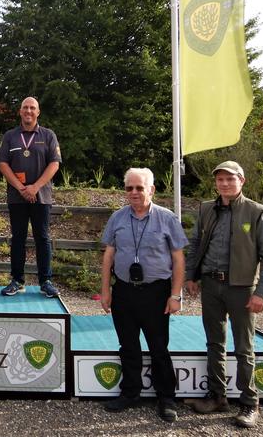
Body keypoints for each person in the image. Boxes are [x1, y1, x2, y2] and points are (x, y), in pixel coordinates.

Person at [185, 160, 263, 428]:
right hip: (211, 286)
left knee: (243, 348)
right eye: (220, 179)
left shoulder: (256, 212)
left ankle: (250, 403)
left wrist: (261, 293)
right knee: (214, 343)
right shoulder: (206, 209)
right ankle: (217, 396)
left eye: (230, 179)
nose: (224, 183)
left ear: (242, 181)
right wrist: (192, 276)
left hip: (242, 288)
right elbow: (194, 245)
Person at [100, 167, 187, 422]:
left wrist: (176, 295)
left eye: (140, 187)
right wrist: (105, 290)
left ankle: (166, 398)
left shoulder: (167, 218)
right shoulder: (117, 218)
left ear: (151, 190)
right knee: (128, 345)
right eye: (130, 188)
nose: (134, 192)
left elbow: (178, 259)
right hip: (124, 291)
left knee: (158, 347)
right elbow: (108, 256)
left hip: (156, 293)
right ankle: (130, 393)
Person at [0, 97, 61, 298]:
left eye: (32, 108)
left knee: (42, 238)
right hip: (17, 197)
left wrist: (35, 187)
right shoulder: (10, 136)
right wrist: (22, 188)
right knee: (18, 239)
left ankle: (46, 281)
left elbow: (54, 164)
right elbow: (3, 164)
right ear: (20, 111)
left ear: (38, 112)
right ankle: (17, 280)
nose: (28, 111)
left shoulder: (48, 135)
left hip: (41, 196)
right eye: (25, 107)